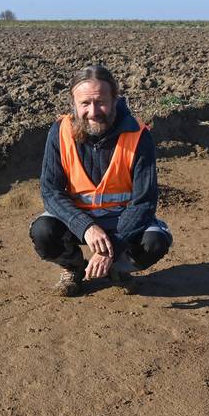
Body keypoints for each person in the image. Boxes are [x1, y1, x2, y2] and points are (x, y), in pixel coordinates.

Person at [29, 65, 172, 296]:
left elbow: (144, 202)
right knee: (43, 232)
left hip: (122, 222)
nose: (93, 111)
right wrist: (85, 226)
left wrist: (110, 248)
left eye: (101, 102)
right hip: (78, 220)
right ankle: (73, 267)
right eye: (85, 103)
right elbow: (50, 192)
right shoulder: (60, 132)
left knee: (155, 242)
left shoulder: (138, 135)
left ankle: (115, 268)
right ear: (73, 104)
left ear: (115, 99)